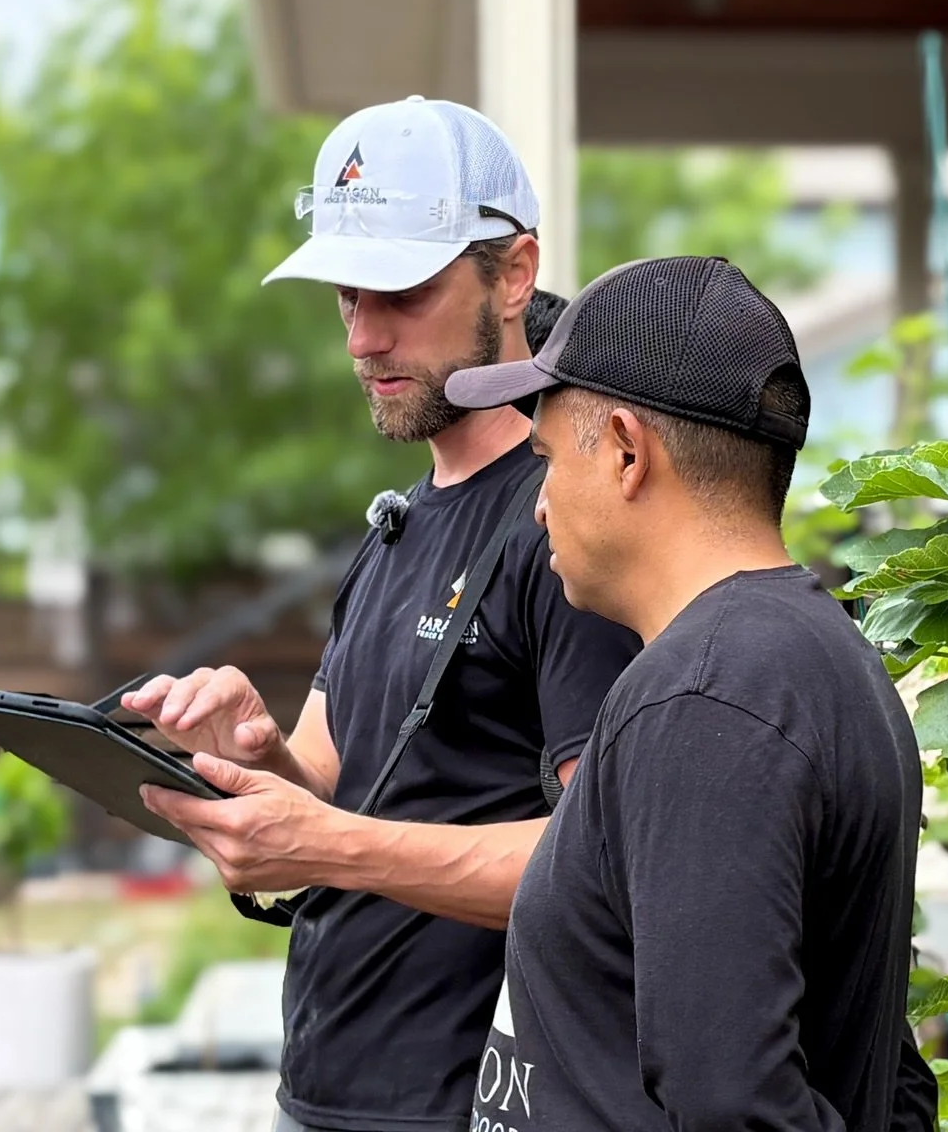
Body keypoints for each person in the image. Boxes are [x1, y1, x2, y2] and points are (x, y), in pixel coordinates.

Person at [122, 96, 641, 1132]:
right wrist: (249, 751)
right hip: (323, 1095)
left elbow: (605, 867)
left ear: (516, 270)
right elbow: (326, 783)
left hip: (469, 1108)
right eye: (345, 295)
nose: (363, 336)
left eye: (400, 290)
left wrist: (323, 846)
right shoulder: (399, 523)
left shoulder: (567, 525)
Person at [445, 254, 936, 1131]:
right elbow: (887, 1069)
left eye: (549, 460)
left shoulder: (706, 700)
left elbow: (732, 1101)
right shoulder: (818, 659)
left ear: (628, 453)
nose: (539, 507)